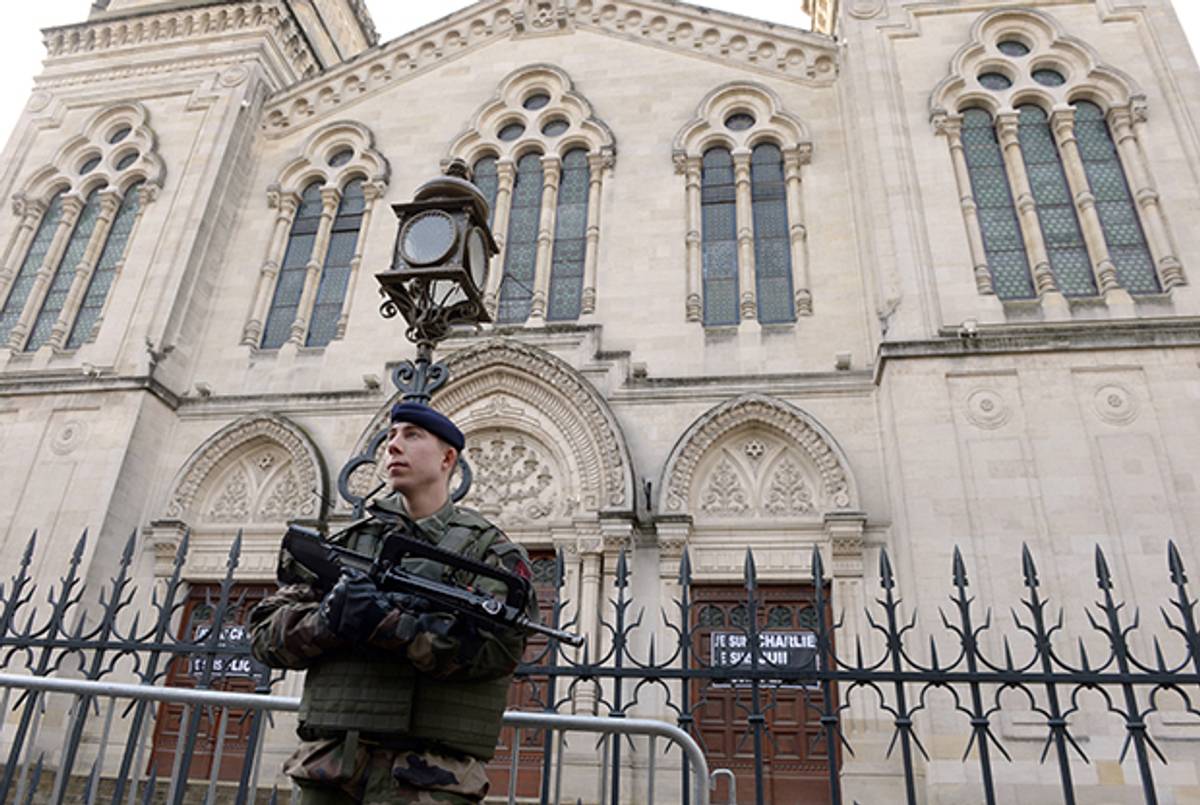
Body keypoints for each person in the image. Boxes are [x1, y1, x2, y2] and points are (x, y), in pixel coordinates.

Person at [249, 402, 536, 804]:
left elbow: (498, 650)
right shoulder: (348, 545)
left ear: (447, 458)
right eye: (390, 437)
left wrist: (390, 624)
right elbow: (264, 636)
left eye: (412, 435)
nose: (393, 446)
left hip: (430, 780)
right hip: (330, 770)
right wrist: (329, 619)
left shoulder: (491, 552)